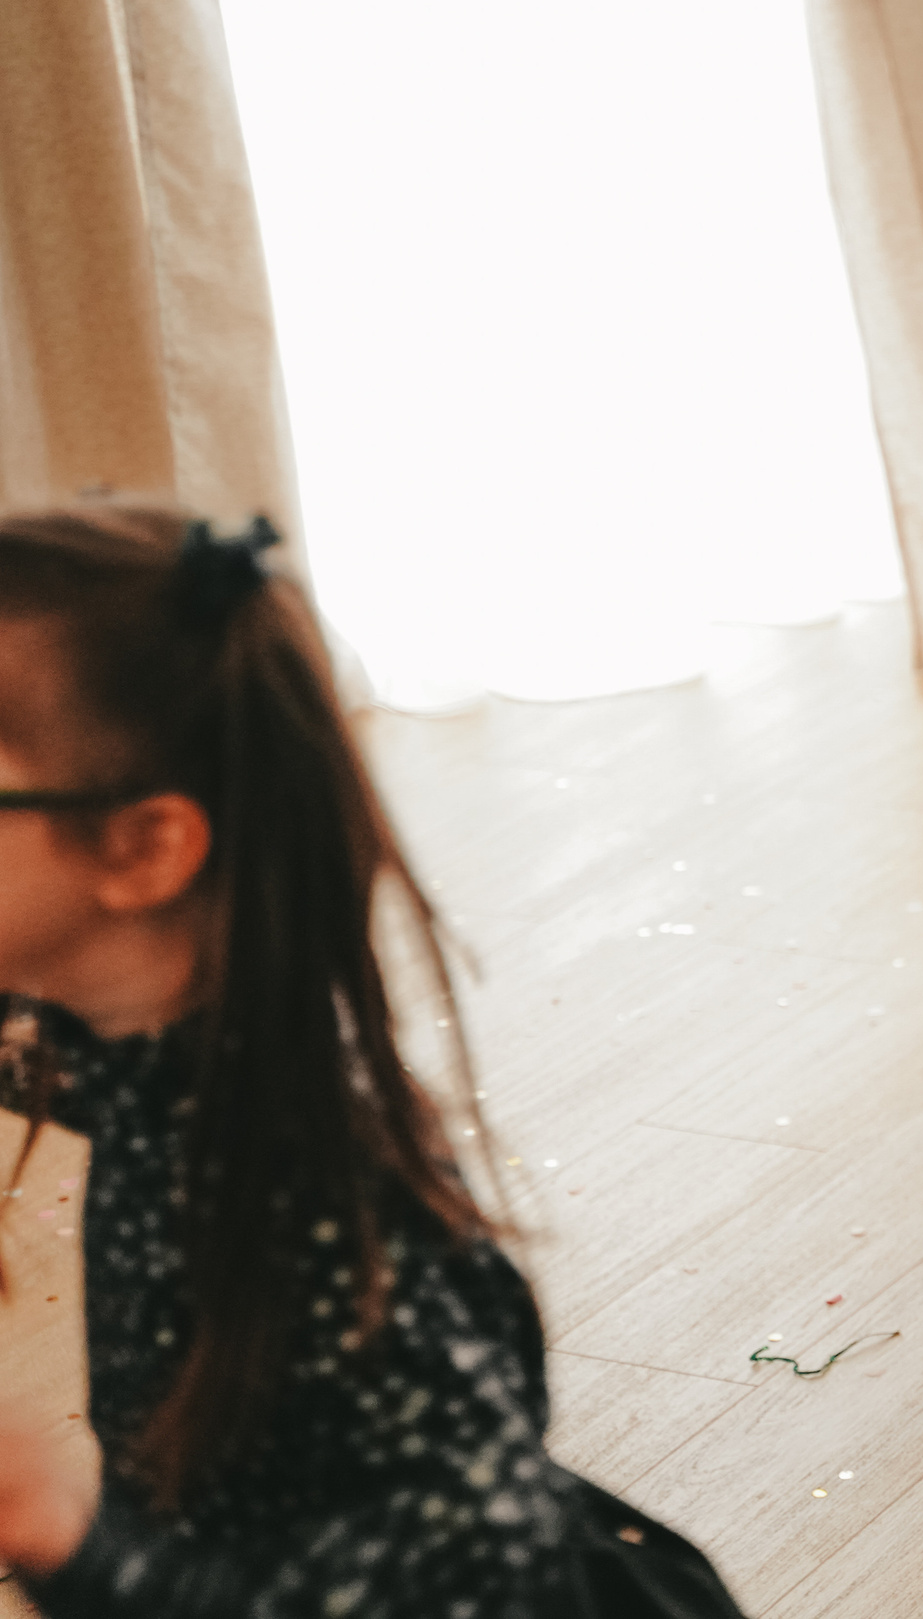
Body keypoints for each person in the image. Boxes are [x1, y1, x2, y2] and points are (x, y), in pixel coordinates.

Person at [0, 511, 744, 1617]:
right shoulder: (150, 1048)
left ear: (144, 847)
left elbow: (487, 1573)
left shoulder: (299, 1201)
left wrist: (64, 1535)